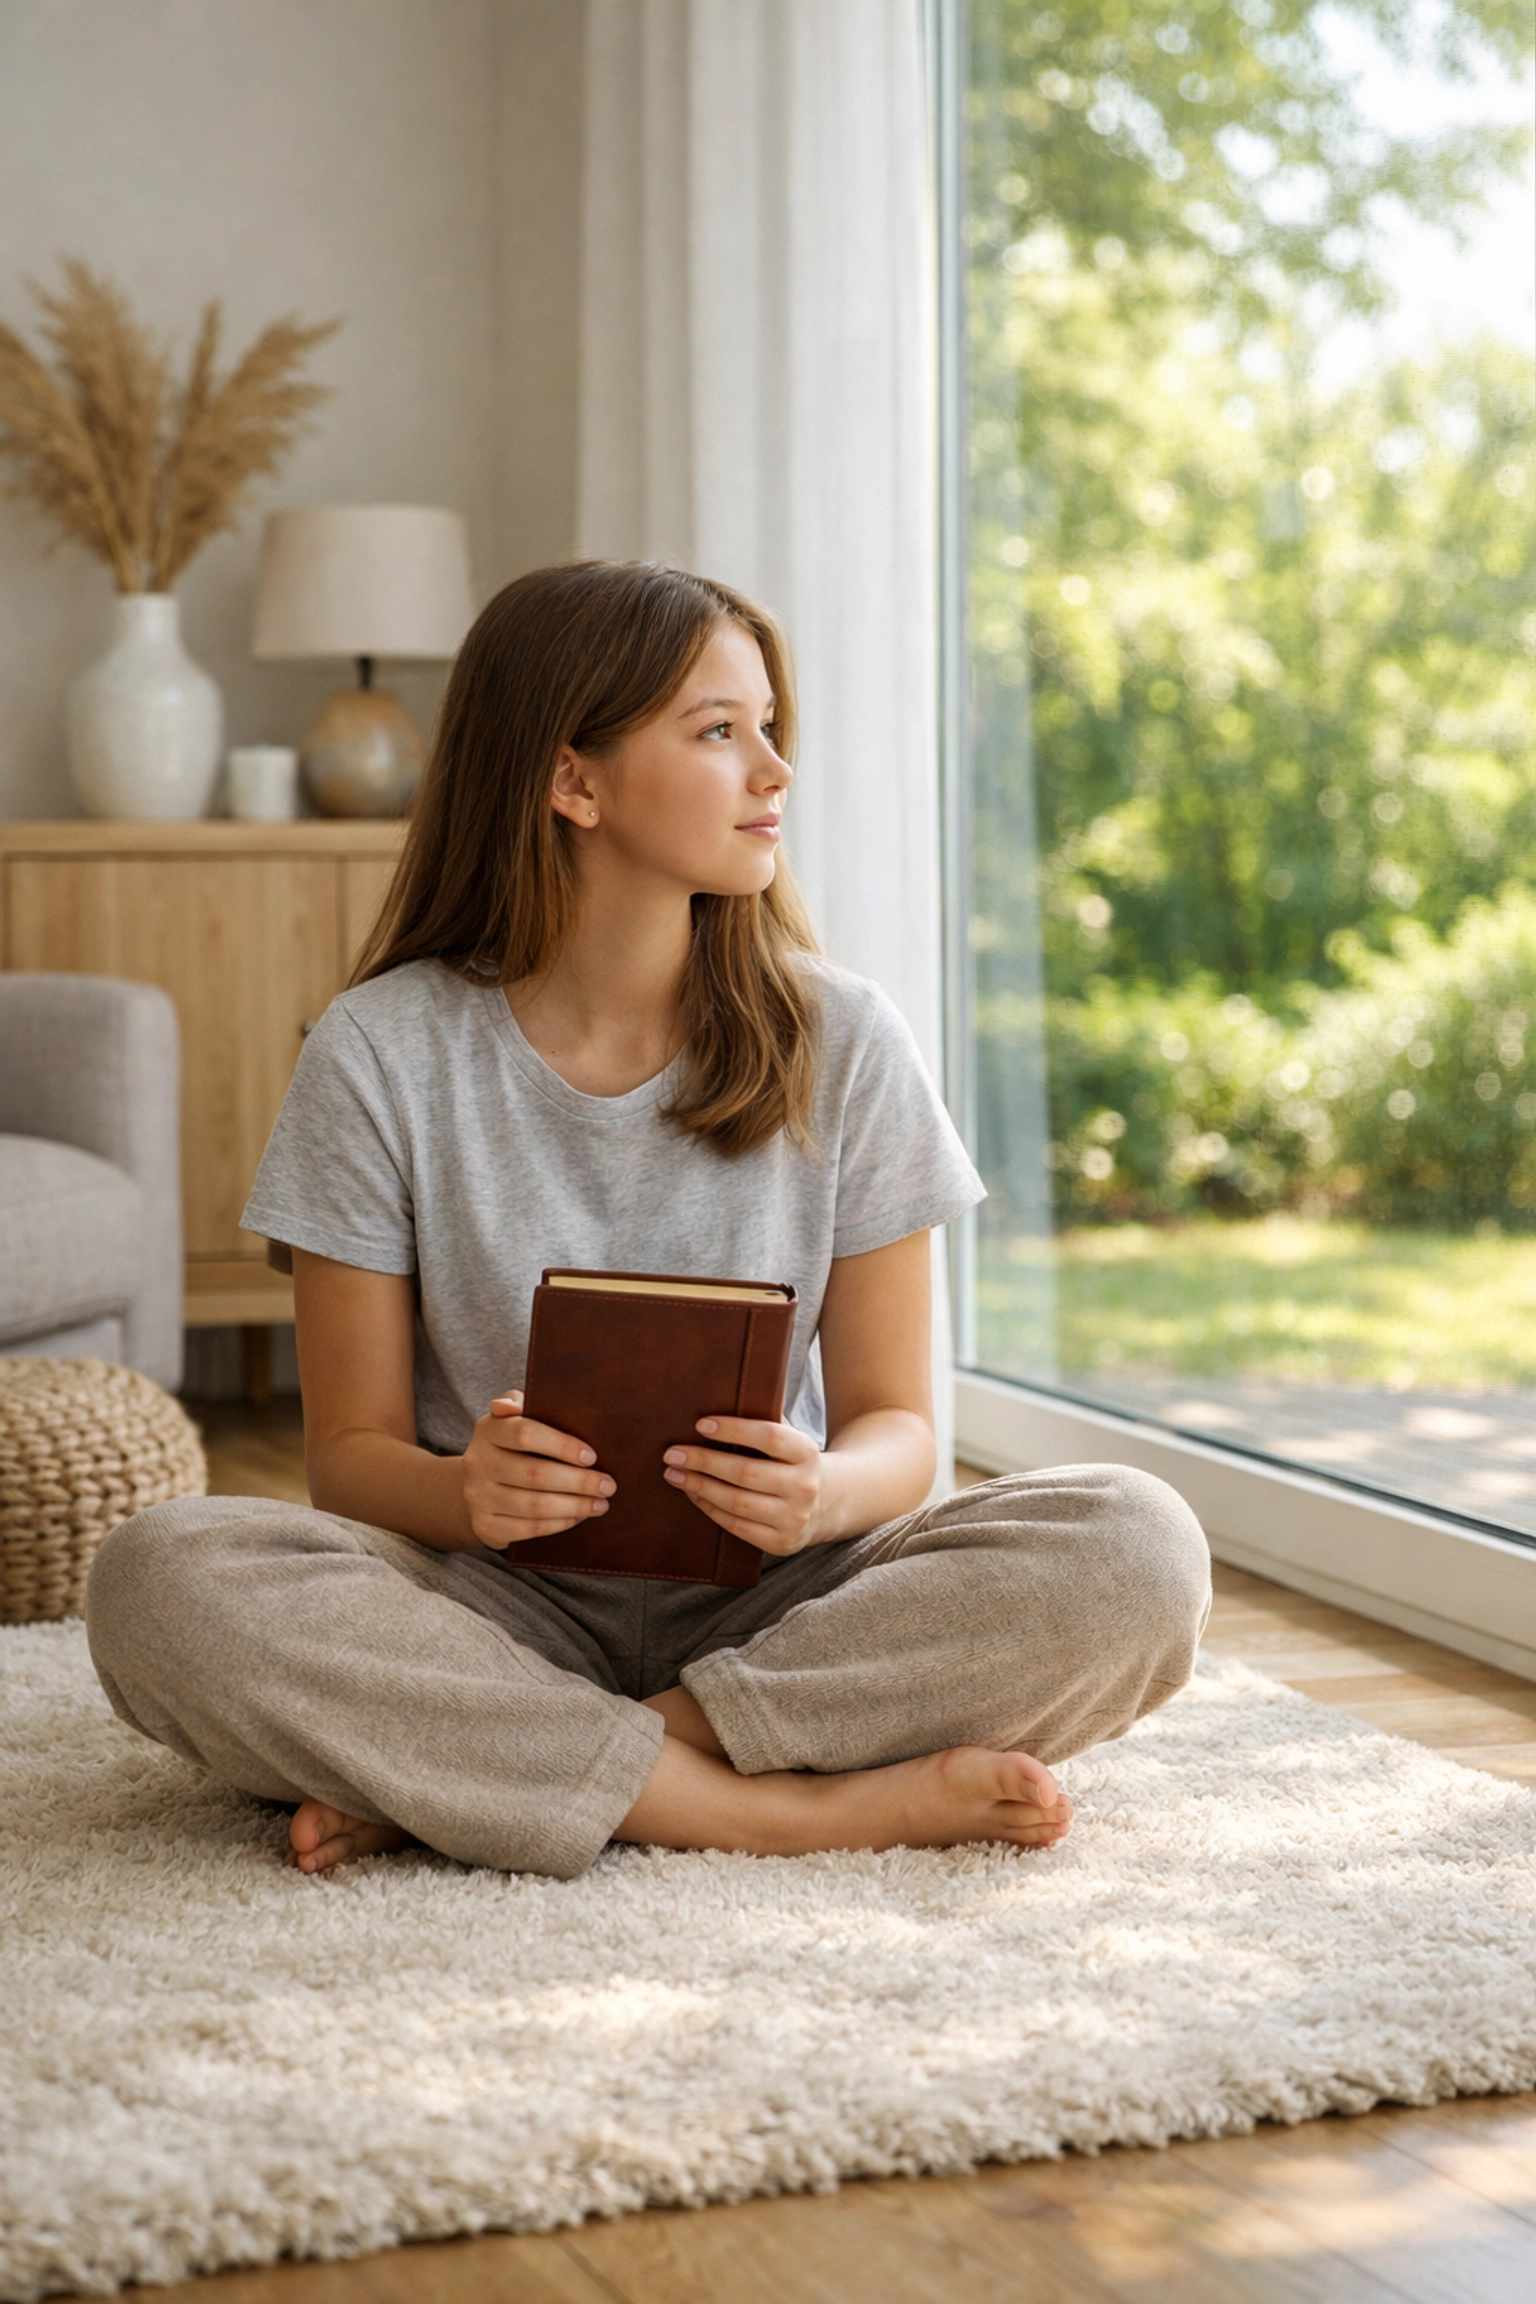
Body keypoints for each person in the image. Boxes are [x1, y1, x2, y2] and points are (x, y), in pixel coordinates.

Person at [87, 560, 1210, 1881]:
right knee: (157, 1576)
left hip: (781, 1601)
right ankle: (774, 1805)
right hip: (490, 1606)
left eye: (771, 729)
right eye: (720, 732)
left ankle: (506, 1773)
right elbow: (349, 1459)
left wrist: (818, 1496)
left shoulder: (842, 1038)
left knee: (1139, 1547)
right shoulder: (377, 1052)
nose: (775, 772)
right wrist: (467, 1491)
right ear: (575, 781)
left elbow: (902, 1434)